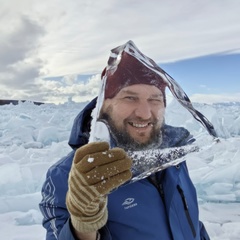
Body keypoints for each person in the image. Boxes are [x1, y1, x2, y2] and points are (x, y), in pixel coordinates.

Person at [39, 40, 211, 240]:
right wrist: (83, 224)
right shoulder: (69, 175)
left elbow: (192, 223)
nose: (145, 113)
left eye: (155, 99)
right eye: (130, 98)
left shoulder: (174, 157)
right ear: (104, 105)